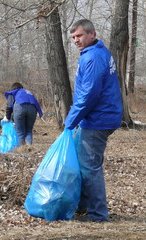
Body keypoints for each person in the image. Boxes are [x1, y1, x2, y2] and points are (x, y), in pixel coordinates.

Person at [64, 19, 123, 222]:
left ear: (91, 34)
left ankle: (98, 214)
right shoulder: (95, 52)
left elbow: (89, 94)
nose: (76, 40)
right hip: (99, 117)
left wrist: (70, 121)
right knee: (85, 164)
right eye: (73, 37)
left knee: (89, 166)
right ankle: (83, 206)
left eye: (79, 36)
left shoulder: (94, 57)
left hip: (99, 118)